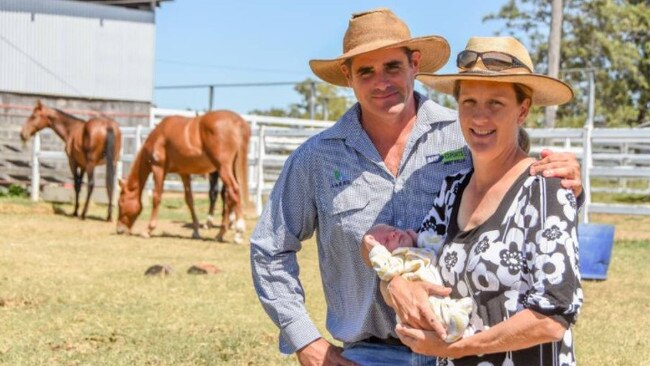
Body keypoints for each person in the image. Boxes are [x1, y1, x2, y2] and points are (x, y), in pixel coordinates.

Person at [250, 8, 583, 366]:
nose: (382, 81)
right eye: (366, 70)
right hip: (368, 351)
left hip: (462, 345)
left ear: (415, 64)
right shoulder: (317, 158)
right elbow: (270, 248)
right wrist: (306, 340)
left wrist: (569, 187)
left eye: (392, 66)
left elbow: (519, 193)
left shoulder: (467, 132)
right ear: (348, 76)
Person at [390, 36, 583, 365]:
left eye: (496, 103)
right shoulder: (452, 191)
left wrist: (456, 348)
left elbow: (552, 318)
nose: (480, 117)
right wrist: (393, 279)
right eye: (469, 102)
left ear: (522, 110)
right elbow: (418, 263)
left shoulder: (545, 191)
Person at [362, 224, 474, 343]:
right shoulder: (397, 261)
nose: (392, 234)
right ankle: (455, 327)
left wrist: (419, 238)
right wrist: (375, 249)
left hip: (439, 293)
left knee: (444, 306)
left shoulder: (419, 250)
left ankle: (456, 318)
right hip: (421, 302)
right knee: (435, 312)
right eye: (385, 241)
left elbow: (444, 246)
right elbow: (386, 270)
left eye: (393, 230)